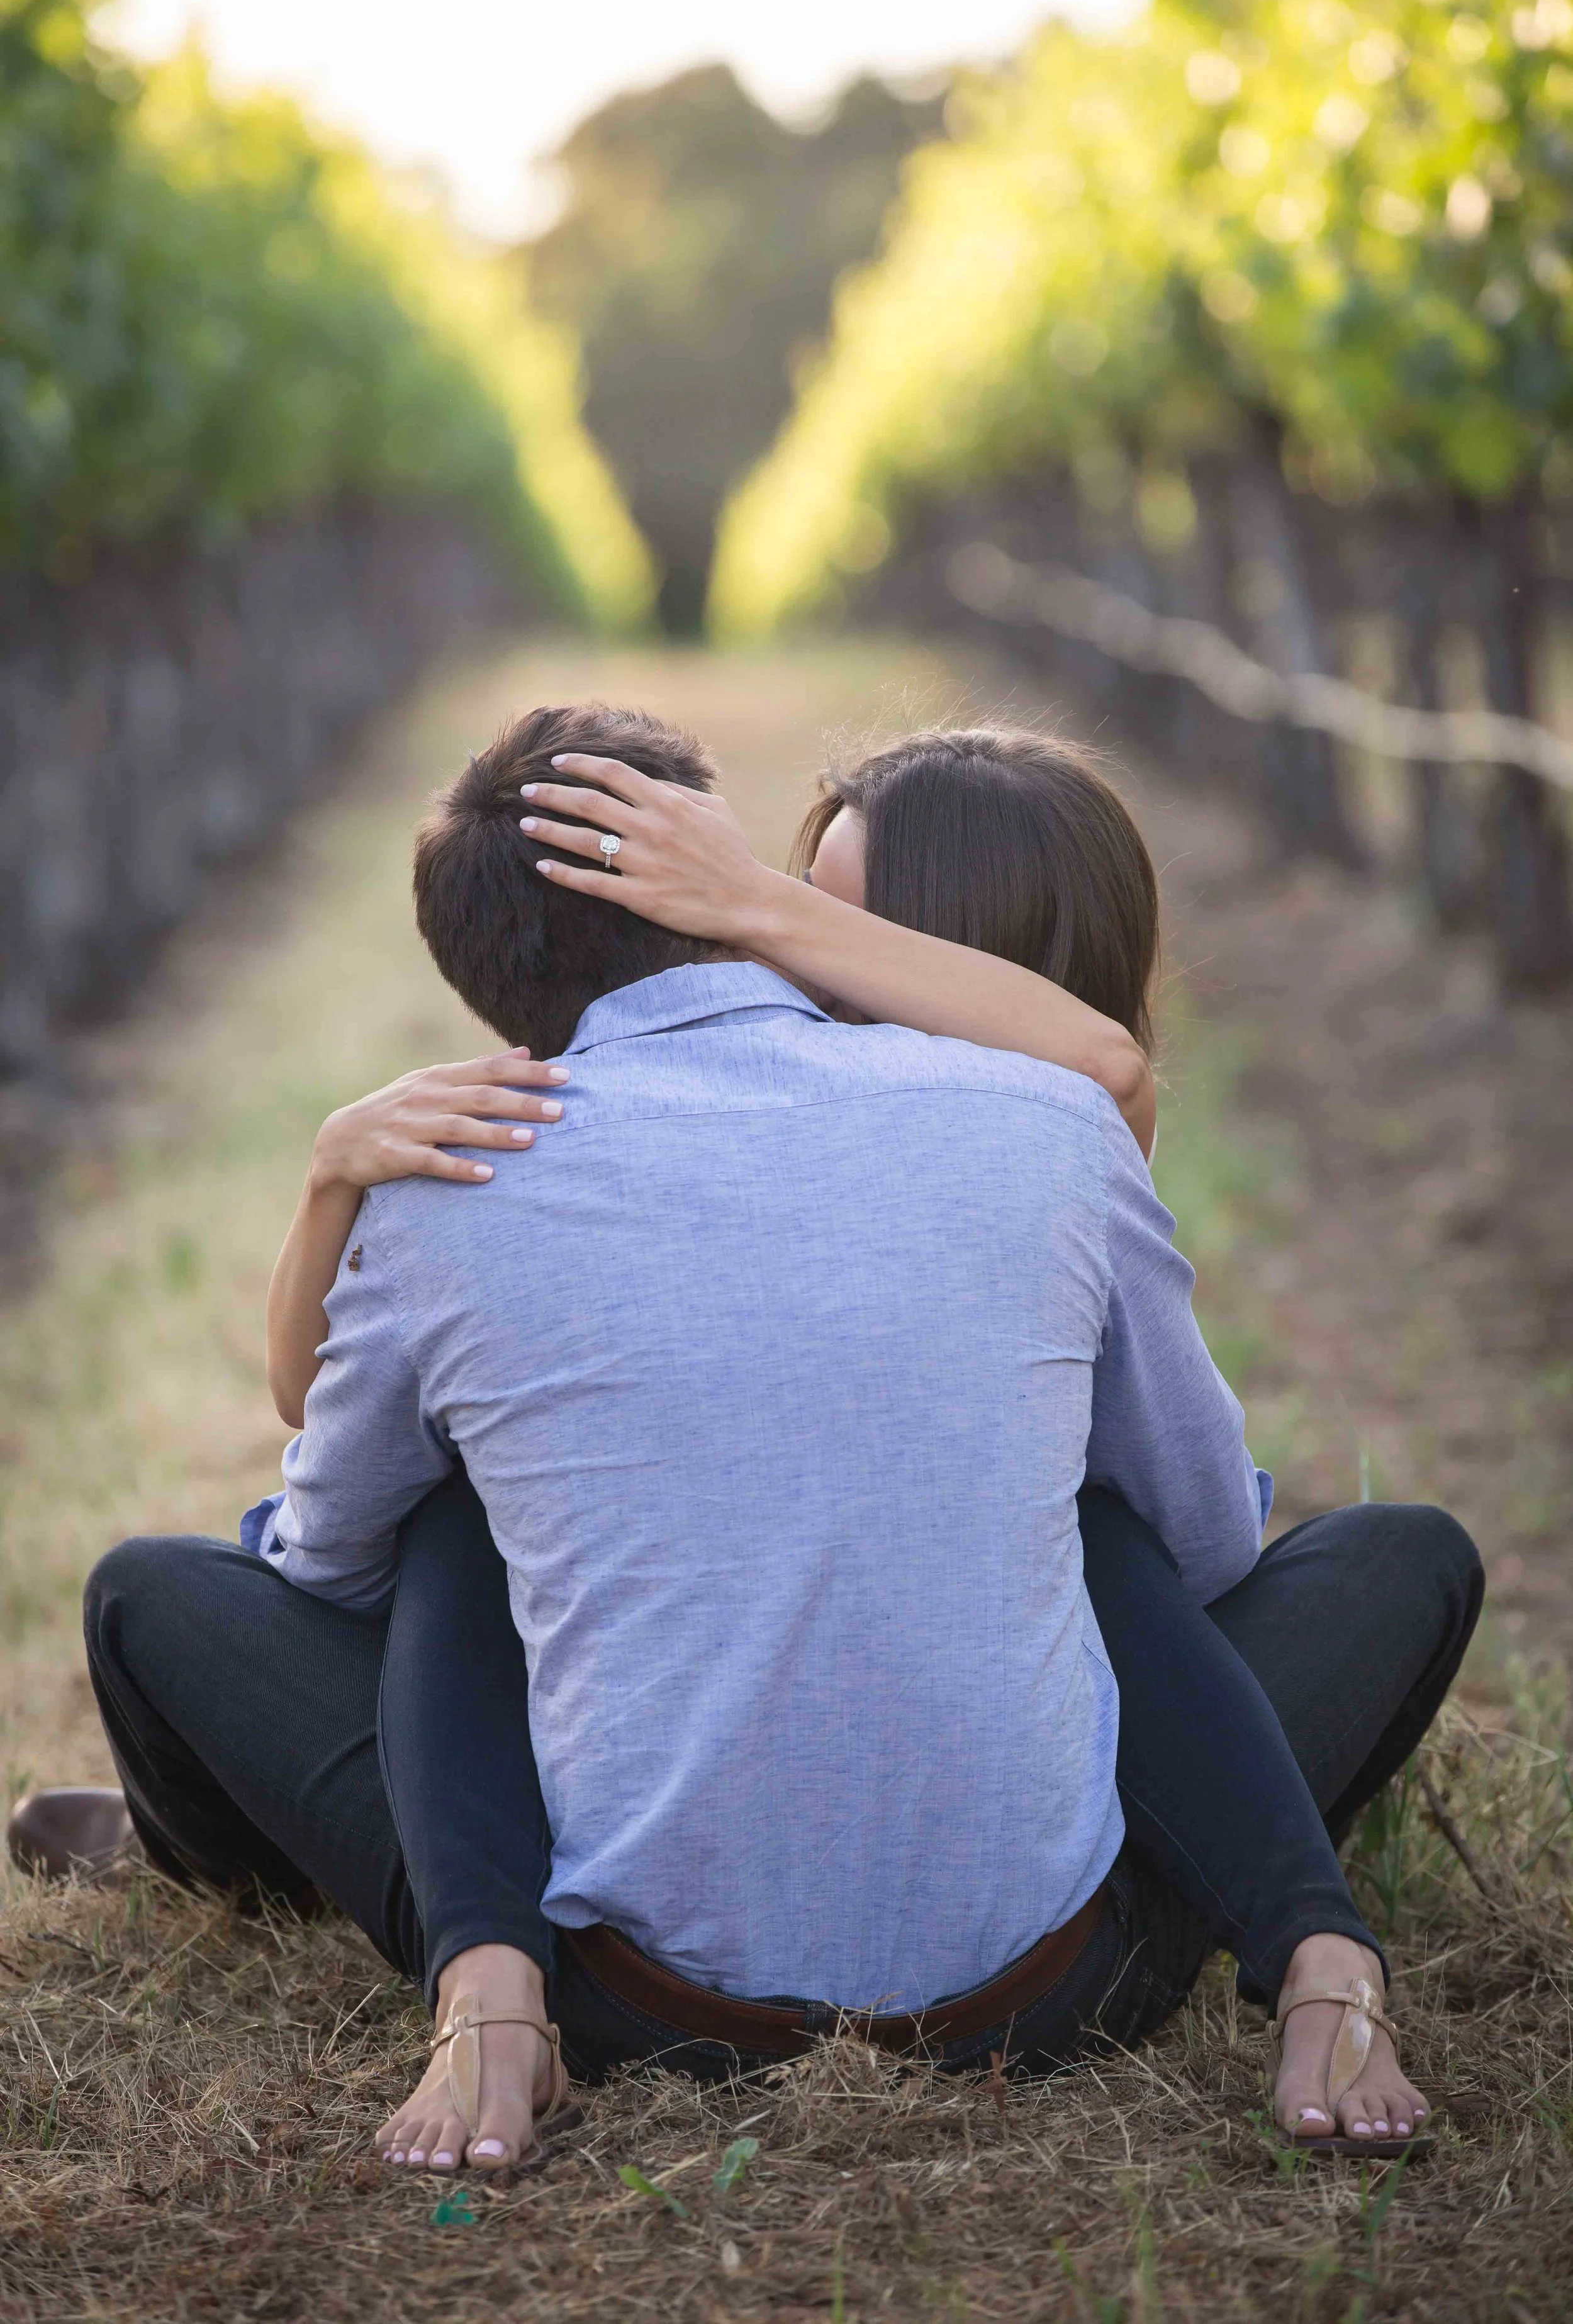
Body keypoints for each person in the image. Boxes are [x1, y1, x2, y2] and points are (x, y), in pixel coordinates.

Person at [11, 707, 1481, 2177]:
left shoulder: (464, 1184)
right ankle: (1315, 1957)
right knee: (1259, 1546)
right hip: (1051, 1985)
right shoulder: (1052, 1125)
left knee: (305, 1551)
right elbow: (1214, 1545)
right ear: (703, 875)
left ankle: (477, 1974)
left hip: (635, 1995)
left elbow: (329, 1555)